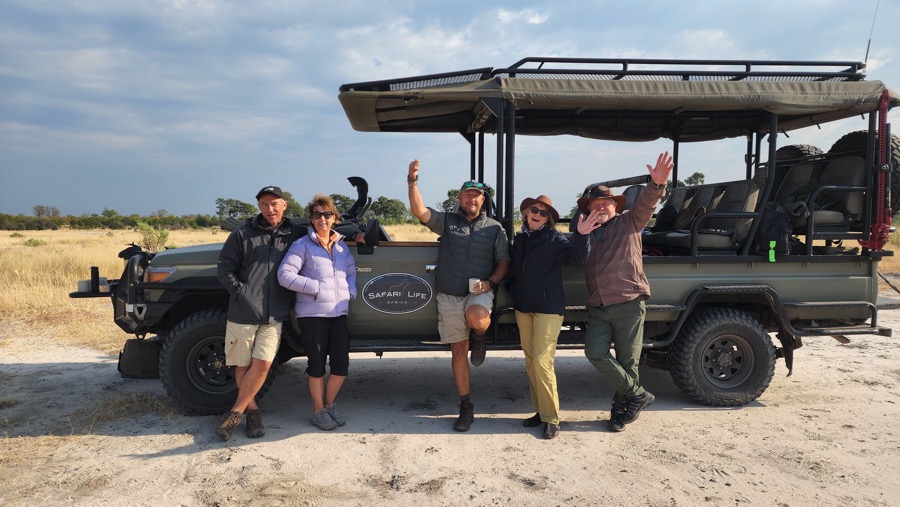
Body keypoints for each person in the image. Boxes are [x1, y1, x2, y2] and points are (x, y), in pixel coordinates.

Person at [571, 151, 674, 432]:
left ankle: (620, 411)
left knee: (629, 362)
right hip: (598, 305)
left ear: (615, 206)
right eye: (595, 204)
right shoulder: (585, 231)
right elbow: (577, 256)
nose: (600, 208)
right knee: (595, 352)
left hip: (628, 300)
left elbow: (646, 205)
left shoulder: (629, 222)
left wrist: (656, 184)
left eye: (605, 203)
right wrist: (581, 235)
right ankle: (638, 395)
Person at [406, 159, 510, 432]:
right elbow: (419, 211)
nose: (471, 199)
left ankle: (480, 336)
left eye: (476, 196)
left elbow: (504, 262)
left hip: (478, 292)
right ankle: (466, 406)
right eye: (467, 195)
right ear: (460, 198)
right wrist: (412, 180)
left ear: (483, 200)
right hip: (449, 294)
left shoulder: (494, 228)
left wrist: (490, 282)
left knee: (478, 319)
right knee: (458, 352)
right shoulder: (447, 222)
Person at [215, 185, 297, 441]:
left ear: (284, 205)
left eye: (275, 203)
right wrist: (242, 294)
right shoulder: (242, 235)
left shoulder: (294, 233)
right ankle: (252, 412)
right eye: (264, 204)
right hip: (243, 312)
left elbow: (324, 229)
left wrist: (357, 235)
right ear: (259, 206)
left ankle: (235, 412)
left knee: (262, 365)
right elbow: (224, 270)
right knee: (243, 365)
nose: (270, 209)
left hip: (274, 315)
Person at [278, 194, 357, 431]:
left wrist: (350, 290)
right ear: (311, 219)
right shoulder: (301, 245)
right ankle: (317, 410)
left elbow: (351, 271)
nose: (322, 219)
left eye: (327, 214)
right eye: (317, 215)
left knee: (341, 366)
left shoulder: (342, 247)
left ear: (334, 218)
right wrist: (315, 287)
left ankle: (329, 405)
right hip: (312, 315)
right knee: (316, 365)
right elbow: (284, 275)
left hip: (338, 313)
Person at [510, 195, 576, 440]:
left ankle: (552, 418)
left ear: (549, 219)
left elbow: (579, 257)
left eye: (544, 213)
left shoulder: (556, 239)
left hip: (548, 308)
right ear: (527, 212)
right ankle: (540, 412)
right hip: (523, 307)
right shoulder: (520, 239)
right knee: (530, 361)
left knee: (542, 361)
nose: (537, 214)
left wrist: (583, 234)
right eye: (534, 210)